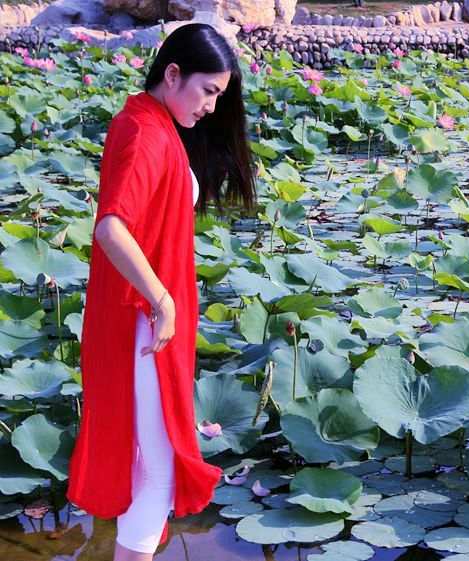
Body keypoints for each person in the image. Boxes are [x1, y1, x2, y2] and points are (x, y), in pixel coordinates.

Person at [65, 23, 256, 561]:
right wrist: (163, 298)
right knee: (158, 470)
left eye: (220, 95)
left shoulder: (149, 120)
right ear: (172, 74)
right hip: (141, 322)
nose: (214, 107)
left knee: (145, 463)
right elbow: (110, 228)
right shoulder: (147, 133)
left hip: (143, 321)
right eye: (209, 91)